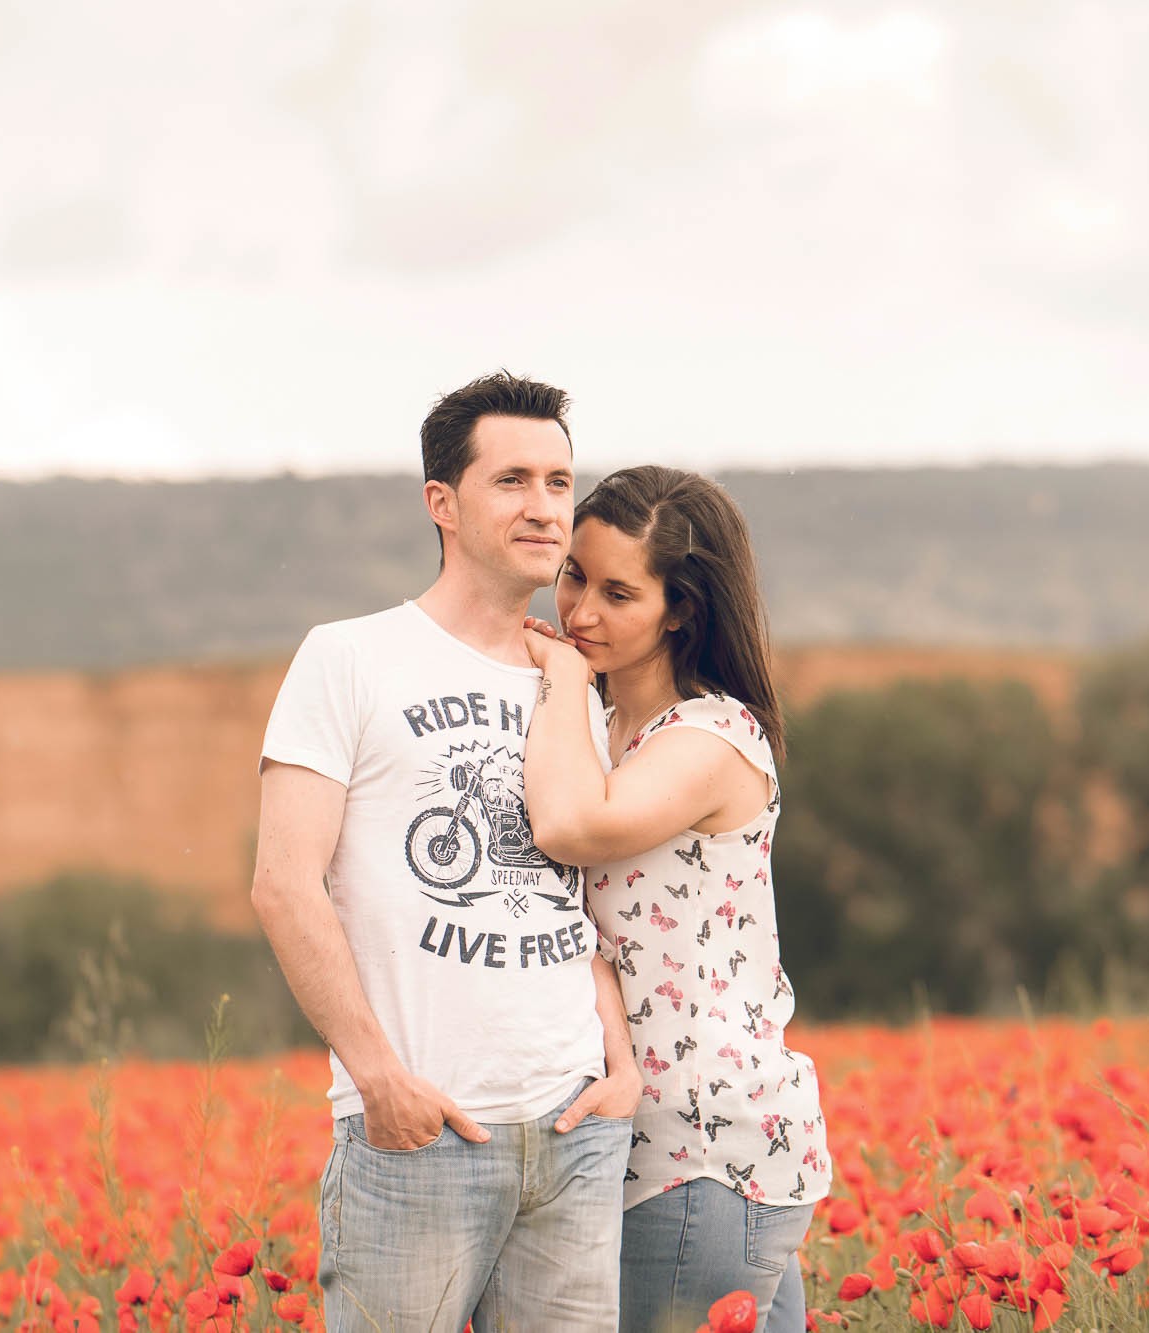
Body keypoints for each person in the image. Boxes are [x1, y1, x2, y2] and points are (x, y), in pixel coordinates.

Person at [250, 372, 640, 1333]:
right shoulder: (348, 658)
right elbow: (283, 886)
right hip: (420, 1136)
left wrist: (619, 1065)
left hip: (575, 1131)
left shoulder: (574, 681)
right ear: (443, 503)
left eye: (559, 482)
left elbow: (578, 893)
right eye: (512, 481)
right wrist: (378, 1077)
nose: (545, 508)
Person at [520, 466, 832, 1333]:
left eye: (619, 592)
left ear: (682, 610)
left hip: (696, 1145)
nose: (580, 611)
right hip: (668, 1144)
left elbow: (573, 825)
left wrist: (553, 676)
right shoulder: (606, 731)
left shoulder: (713, 736)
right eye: (575, 573)